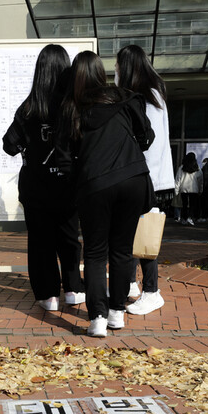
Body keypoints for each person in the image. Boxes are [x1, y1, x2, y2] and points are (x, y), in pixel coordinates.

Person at [56, 51, 154, 338]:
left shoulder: (72, 107)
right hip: (133, 178)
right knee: (122, 251)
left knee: (96, 253)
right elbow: (146, 137)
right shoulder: (125, 98)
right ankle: (117, 313)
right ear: (102, 72)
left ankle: (97, 318)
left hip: (94, 184)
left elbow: (64, 157)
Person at [2, 44, 85, 312]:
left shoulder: (28, 108)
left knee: (41, 242)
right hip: (67, 185)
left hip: (35, 187)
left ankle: (49, 295)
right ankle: (73, 289)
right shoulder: (73, 106)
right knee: (69, 237)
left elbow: (9, 145)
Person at [116, 44, 172, 317]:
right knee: (133, 233)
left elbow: (147, 142)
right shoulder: (153, 94)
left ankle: (152, 291)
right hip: (150, 176)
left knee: (144, 236)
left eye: (117, 66)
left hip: (146, 177)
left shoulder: (145, 98)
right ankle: (131, 285)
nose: (115, 71)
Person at [175, 152, 202, 226]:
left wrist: (176, 190)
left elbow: (178, 179)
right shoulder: (197, 168)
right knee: (192, 205)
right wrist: (200, 190)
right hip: (194, 189)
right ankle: (190, 217)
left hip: (184, 189)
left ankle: (184, 218)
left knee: (184, 204)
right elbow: (200, 180)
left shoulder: (182, 168)